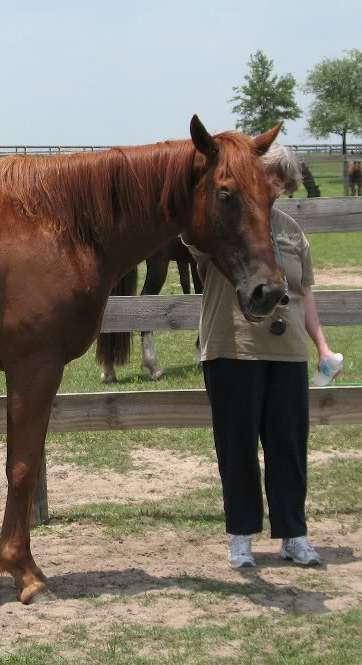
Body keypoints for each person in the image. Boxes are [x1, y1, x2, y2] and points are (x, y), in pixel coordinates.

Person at [192, 142, 337, 568]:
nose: (279, 189)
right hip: (233, 347)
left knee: (288, 446)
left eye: (285, 185)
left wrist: (321, 346)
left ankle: (294, 533)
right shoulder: (221, 222)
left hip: (287, 352)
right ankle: (241, 537)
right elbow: (191, 234)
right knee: (237, 447)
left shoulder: (293, 231)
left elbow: (305, 295)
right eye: (273, 178)